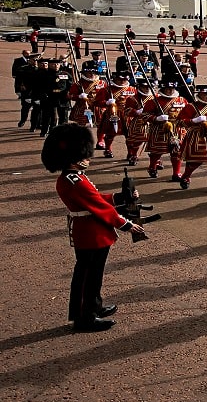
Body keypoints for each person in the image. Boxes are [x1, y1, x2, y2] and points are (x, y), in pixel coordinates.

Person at [45, 123, 147, 333]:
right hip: (89, 232)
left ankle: (94, 307)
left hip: (93, 230)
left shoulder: (76, 177)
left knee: (94, 274)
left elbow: (97, 199)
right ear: (72, 157)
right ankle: (84, 318)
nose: (87, 158)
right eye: (83, 154)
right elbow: (99, 207)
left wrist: (120, 196)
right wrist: (127, 225)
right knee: (87, 276)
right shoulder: (74, 180)